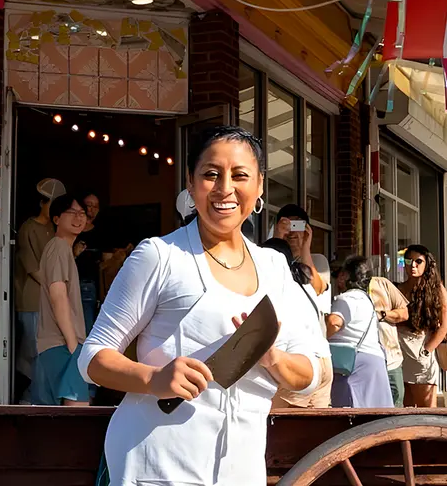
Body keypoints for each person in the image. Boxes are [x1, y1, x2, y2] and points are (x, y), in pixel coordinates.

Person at [79, 125, 320, 485]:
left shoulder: (274, 267)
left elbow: (308, 375)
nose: (225, 189)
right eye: (211, 174)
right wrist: (154, 378)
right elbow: (92, 357)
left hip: (240, 468)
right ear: (190, 184)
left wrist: (272, 357)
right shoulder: (160, 256)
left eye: (240, 175)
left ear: (259, 186)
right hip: (157, 463)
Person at [32, 193, 90, 406]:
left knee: (58, 415)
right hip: (63, 343)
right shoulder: (58, 248)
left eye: (82, 213)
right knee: (77, 412)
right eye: (71, 212)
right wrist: (73, 345)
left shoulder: (62, 249)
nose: (78, 217)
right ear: (56, 219)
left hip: (58, 343)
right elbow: (58, 296)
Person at [262, 237, 332, 408]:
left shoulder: (275, 289)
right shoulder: (304, 285)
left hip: (299, 363)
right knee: (316, 423)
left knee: (282, 423)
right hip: (324, 361)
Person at [13, 178, 64, 403]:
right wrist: (58, 290)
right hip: (33, 300)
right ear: (42, 203)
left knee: (50, 351)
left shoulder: (54, 229)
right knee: (35, 351)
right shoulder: (28, 228)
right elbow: (33, 269)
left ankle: (41, 398)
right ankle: (34, 399)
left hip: (51, 300)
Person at [327, 256, 394, 408]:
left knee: (351, 412)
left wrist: (317, 337)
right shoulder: (366, 300)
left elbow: (334, 322)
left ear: (344, 276)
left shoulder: (346, 298)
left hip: (353, 365)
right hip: (373, 362)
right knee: (374, 415)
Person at [397, 244, 447, 408]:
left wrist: (427, 350)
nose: (413, 265)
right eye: (408, 261)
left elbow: (446, 323)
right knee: (403, 410)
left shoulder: (436, 289)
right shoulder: (398, 288)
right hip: (398, 354)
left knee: (426, 411)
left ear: (427, 263)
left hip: (420, 351)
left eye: (418, 261)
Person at [272, 204, 331, 315]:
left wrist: (305, 247)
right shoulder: (269, 256)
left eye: (296, 225)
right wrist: (277, 239)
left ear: (306, 229)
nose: (291, 232)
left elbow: (317, 288)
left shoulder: (318, 261)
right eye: (287, 226)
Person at [368, 275, 409, 407]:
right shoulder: (348, 287)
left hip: (391, 358)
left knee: (396, 402)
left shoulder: (382, 283)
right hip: (364, 359)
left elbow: (404, 314)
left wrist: (382, 314)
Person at [74, 191, 103, 333]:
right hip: (69, 283)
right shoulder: (72, 229)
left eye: (95, 206)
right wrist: (74, 252)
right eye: (88, 205)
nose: (91, 209)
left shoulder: (101, 232)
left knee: (87, 329)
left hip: (90, 285)